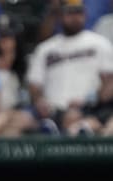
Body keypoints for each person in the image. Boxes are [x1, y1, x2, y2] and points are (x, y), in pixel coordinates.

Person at [26, 0, 113, 136]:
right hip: (51, 109)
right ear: (61, 16)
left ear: (85, 15)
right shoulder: (45, 48)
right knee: (17, 120)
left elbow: (109, 82)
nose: (75, 17)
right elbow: (34, 83)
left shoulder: (100, 43)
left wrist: (92, 100)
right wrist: (39, 101)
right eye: (70, 13)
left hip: (87, 108)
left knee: (79, 122)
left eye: (79, 13)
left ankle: (78, 130)